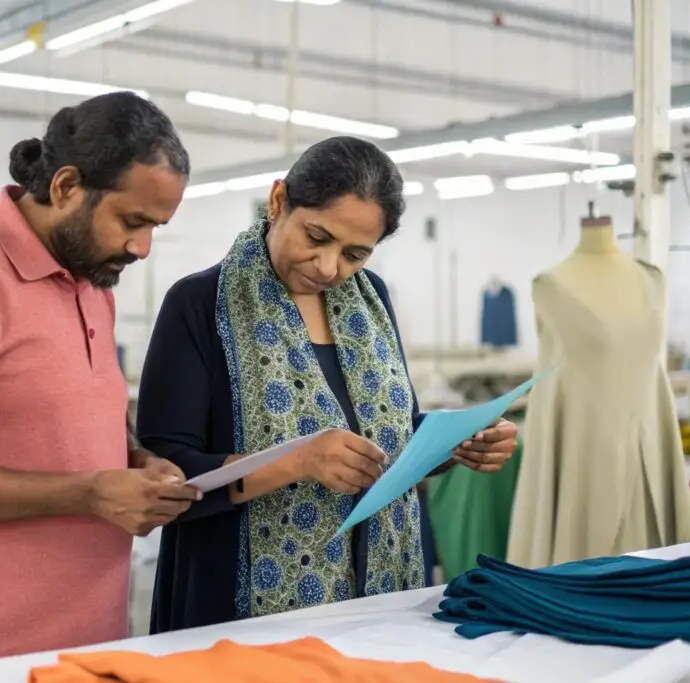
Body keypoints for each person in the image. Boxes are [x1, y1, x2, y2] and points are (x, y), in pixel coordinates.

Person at [0, 91, 201, 673]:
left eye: (156, 227)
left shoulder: (91, 281)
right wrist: (89, 492)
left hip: (90, 642)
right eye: (132, 221)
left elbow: (79, 412)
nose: (142, 248)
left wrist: (135, 458)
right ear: (67, 186)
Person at [136, 136, 519, 634]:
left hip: (379, 598)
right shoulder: (200, 304)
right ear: (279, 201)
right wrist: (297, 462)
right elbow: (165, 474)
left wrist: (455, 438)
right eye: (316, 237)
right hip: (237, 605)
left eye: (355, 254)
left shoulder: (371, 301)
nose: (329, 268)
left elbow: (391, 433)